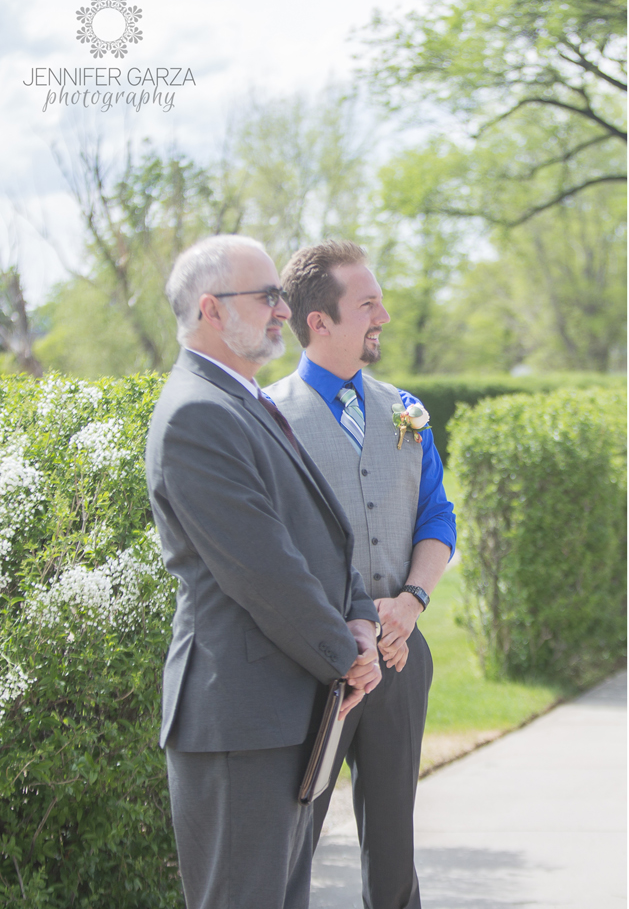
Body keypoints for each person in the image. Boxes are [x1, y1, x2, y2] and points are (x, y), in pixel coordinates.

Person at [147, 235, 381, 909]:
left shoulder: (239, 396)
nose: (283, 309)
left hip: (279, 711)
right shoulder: (198, 412)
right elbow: (264, 571)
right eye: (268, 295)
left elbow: (320, 535)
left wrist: (360, 616)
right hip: (238, 720)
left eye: (281, 294)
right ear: (211, 309)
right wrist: (348, 656)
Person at [267, 241, 455, 909]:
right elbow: (273, 552)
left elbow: (438, 517)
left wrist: (409, 603)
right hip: (314, 664)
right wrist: (345, 634)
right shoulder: (267, 418)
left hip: (402, 658)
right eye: (368, 303)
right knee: (292, 842)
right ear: (319, 320)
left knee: (395, 847)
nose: (384, 314)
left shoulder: (405, 409)